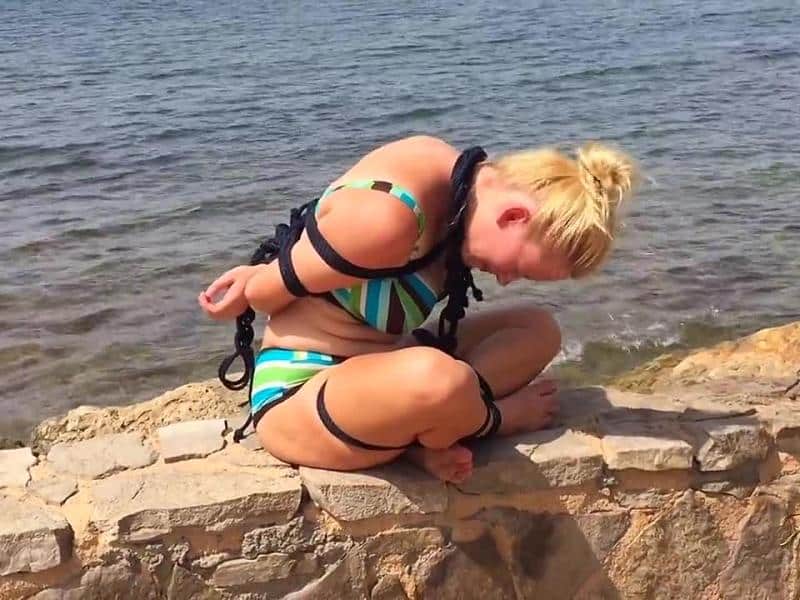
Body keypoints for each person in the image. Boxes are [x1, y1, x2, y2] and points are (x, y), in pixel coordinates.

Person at [198, 135, 637, 483]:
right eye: (517, 268)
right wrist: (253, 282)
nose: (504, 280)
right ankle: (484, 420)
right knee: (440, 379)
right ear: (513, 216)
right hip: (304, 395)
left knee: (538, 328)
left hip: (384, 370)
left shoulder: (462, 197)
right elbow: (265, 294)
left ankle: (427, 433)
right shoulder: (387, 220)